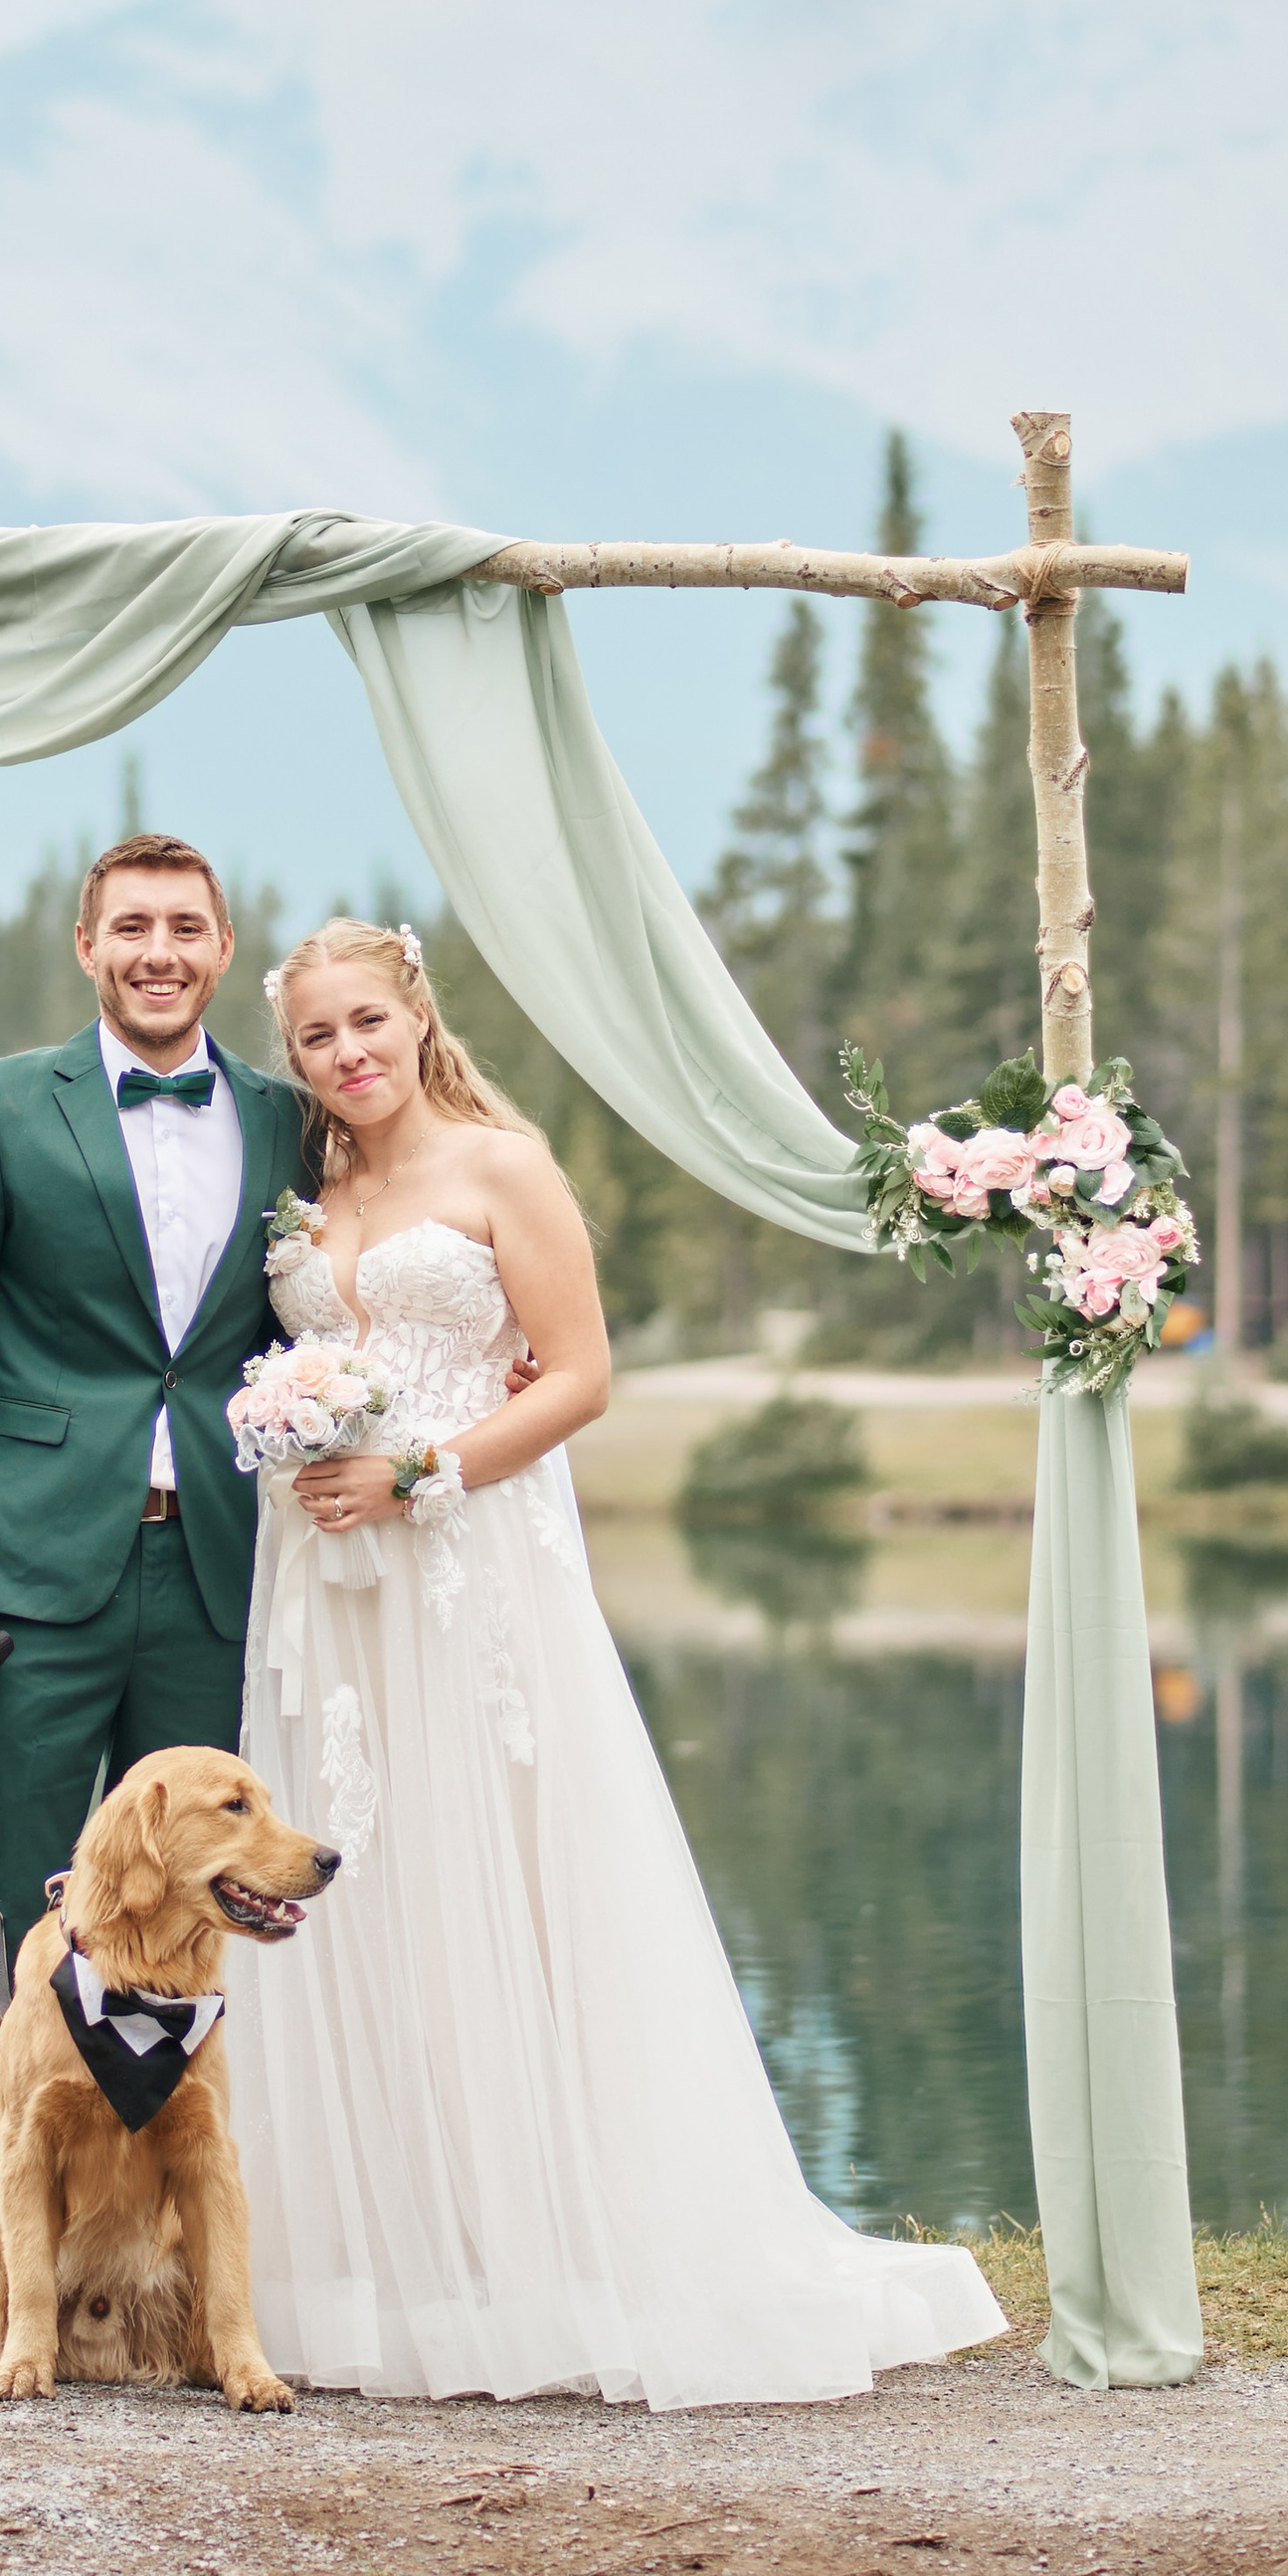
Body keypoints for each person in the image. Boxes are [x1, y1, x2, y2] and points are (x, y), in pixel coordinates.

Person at [229, 916, 1007, 2409]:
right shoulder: (308, 1189)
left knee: (501, 1875)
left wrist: (424, 1472)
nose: (348, 1053)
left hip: (471, 1565)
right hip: (326, 1588)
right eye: (318, 1036)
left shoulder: (502, 1164)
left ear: (416, 1011)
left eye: (367, 1022)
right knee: (361, 1886)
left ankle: (552, 2250)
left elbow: (582, 1374)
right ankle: (401, 2257)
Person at [0, 834, 310, 2368]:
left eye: (186, 924)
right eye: (132, 926)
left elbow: (348, 1284)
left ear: (224, 945)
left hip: (216, 1575)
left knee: (194, 1921)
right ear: (86, 945)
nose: (159, 949)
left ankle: (168, 2266)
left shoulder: (281, 1117)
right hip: (28, 1584)